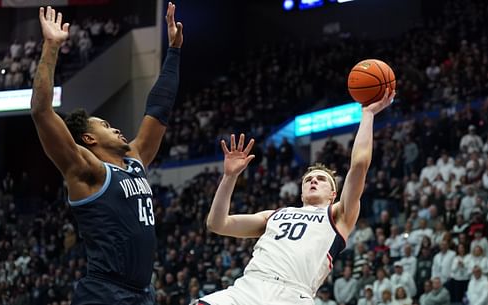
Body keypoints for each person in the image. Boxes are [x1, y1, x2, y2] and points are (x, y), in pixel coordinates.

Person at [30, 3, 183, 305]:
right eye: (105, 125)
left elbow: (159, 109)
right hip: (104, 294)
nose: (115, 129)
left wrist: (174, 52)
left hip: (142, 294)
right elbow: (41, 111)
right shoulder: (87, 169)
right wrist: (51, 46)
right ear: (88, 139)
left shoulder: (134, 160)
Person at [199, 89, 396, 305]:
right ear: (301, 192)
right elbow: (217, 224)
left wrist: (367, 114)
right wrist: (229, 177)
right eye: (308, 179)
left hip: (293, 294)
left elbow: (359, 165)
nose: (313, 181)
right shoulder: (275, 214)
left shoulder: (338, 214)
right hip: (249, 287)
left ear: (333, 194)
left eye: (321, 179)